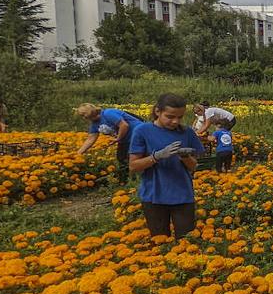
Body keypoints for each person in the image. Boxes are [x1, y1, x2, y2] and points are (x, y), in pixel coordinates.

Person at [128, 93, 204, 240]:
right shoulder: (142, 131)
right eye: (170, 116)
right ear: (158, 111)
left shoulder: (187, 132)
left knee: (187, 241)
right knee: (159, 241)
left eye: (180, 117)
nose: (175, 121)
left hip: (182, 194)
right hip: (154, 195)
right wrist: (156, 156)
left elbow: (194, 166)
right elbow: (133, 166)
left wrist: (184, 156)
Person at [76, 104, 145, 183]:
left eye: (83, 115)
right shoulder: (94, 124)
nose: (83, 118)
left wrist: (118, 138)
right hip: (125, 139)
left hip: (138, 133)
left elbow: (124, 125)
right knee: (122, 158)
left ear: (89, 112)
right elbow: (91, 139)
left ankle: (136, 179)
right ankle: (126, 181)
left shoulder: (108, 113)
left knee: (131, 157)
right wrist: (78, 153)